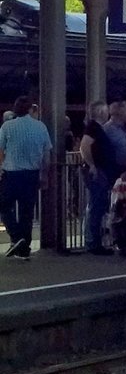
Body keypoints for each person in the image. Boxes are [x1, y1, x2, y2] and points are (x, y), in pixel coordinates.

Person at [0, 96, 52, 260]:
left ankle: (16, 237)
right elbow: (46, 154)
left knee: (3, 206)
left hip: (11, 174)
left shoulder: (7, 126)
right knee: (27, 212)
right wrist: (44, 174)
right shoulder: (41, 127)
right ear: (31, 109)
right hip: (32, 174)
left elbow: (0, 150)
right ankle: (23, 247)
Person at [79, 100, 114, 255]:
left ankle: (93, 242)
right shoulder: (93, 128)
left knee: (96, 206)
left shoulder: (95, 128)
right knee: (96, 206)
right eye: (105, 110)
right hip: (97, 171)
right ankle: (93, 243)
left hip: (99, 170)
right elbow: (84, 146)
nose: (107, 113)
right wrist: (92, 164)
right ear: (100, 112)